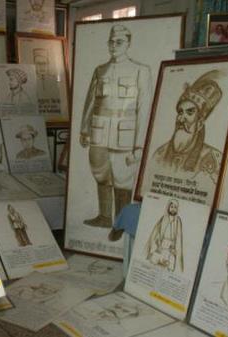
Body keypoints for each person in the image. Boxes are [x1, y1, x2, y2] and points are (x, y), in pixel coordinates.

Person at [79, 25, 151, 241]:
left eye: (119, 42)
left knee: (122, 181)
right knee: (101, 175)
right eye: (111, 41)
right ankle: (104, 217)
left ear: (128, 43)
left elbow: (144, 108)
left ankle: (120, 223)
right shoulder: (100, 70)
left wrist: (139, 145)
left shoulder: (141, 70)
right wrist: (84, 129)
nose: (114, 46)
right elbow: (90, 102)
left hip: (124, 136)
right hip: (100, 133)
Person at [150, 70, 223, 184]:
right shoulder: (160, 154)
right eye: (180, 112)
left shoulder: (213, 158)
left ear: (199, 123)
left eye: (189, 113)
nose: (181, 118)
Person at [144, 199, 184, 272]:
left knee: (169, 267)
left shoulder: (178, 220)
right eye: (171, 207)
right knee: (154, 263)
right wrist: (158, 245)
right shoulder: (163, 218)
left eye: (175, 207)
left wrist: (174, 248)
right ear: (168, 207)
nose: (173, 209)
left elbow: (178, 238)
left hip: (171, 248)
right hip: (161, 245)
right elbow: (156, 233)